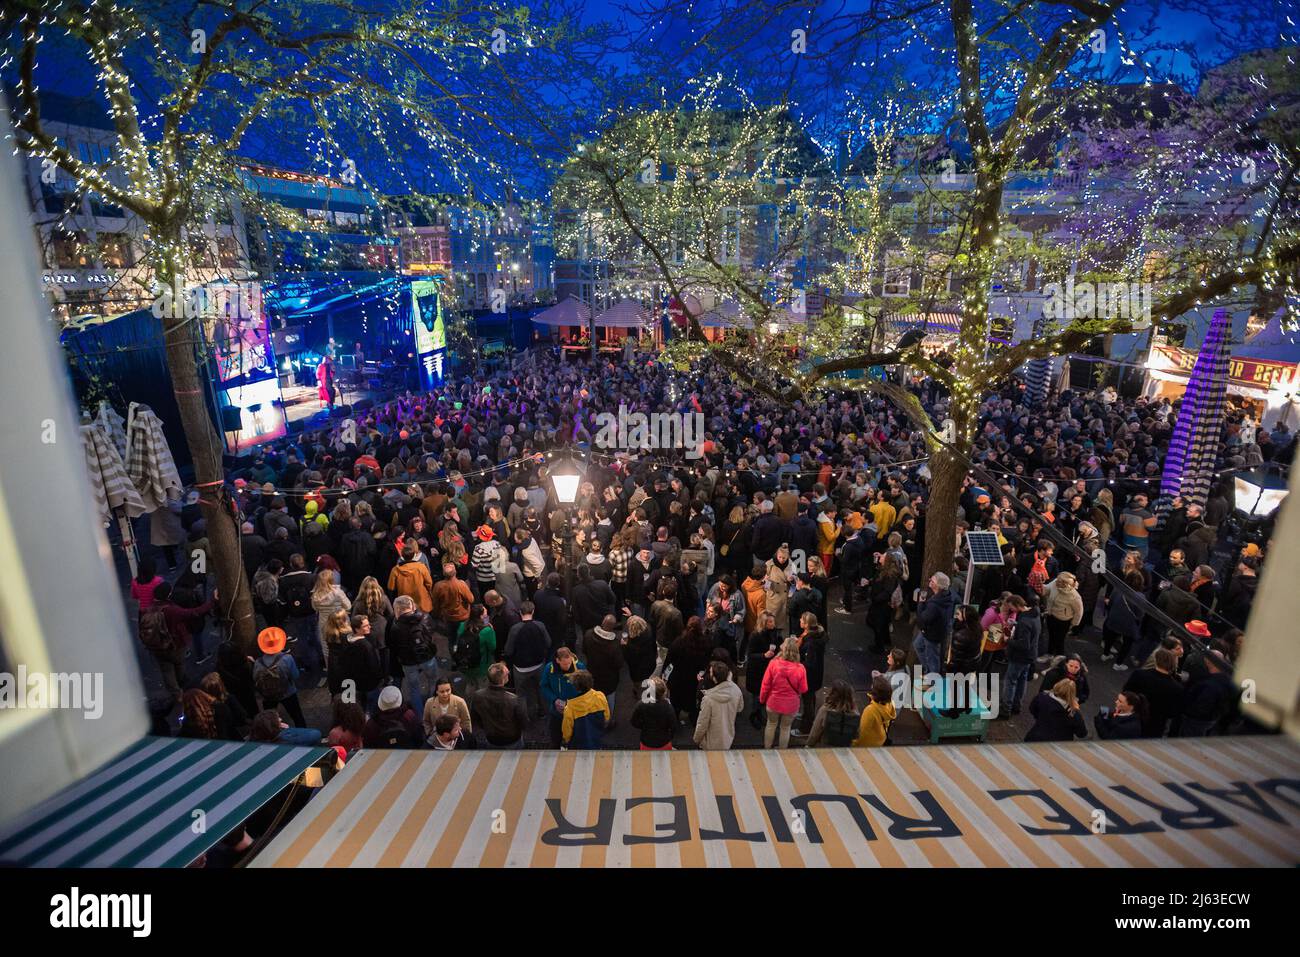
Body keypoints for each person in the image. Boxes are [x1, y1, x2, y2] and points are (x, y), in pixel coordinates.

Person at [387, 594, 441, 717]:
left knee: (414, 689)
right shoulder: (424, 618)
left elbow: (392, 645)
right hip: (427, 658)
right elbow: (431, 635)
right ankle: (433, 708)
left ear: (398, 609)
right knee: (433, 681)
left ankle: (421, 715)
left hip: (408, 663)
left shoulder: (395, 626)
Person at [503, 600, 551, 719]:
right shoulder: (540, 625)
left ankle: (524, 717)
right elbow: (548, 643)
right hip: (539, 664)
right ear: (533, 611)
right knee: (540, 688)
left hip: (520, 668)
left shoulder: (515, 629)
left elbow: (508, 650)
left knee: (521, 694)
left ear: (520, 612)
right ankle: (543, 712)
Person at [252, 626, 308, 727]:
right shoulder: (287, 658)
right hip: (288, 692)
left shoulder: (258, 662)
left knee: (269, 720)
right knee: (297, 716)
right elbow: (295, 675)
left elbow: (255, 678)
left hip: (268, 695)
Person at [1123, 647, 1186, 737]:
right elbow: (1173, 713)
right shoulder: (1177, 688)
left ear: (1156, 660)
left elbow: (1126, 693)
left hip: (1132, 718)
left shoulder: (1139, 674)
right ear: (1173, 664)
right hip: (1155, 726)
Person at [759, 636, 807, 749]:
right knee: (785, 728)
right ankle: (782, 751)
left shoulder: (773, 664)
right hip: (791, 705)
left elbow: (765, 685)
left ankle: (767, 748)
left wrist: (762, 699)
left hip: (773, 702)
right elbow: (803, 689)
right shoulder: (800, 668)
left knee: (771, 725)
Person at [471, 662, 530, 749]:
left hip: (491, 738)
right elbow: (524, 722)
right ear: (503, 679)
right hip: (512, 740)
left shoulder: (477, 695)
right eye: (507, 673)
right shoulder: (514, 699)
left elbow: (475, 717)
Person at [541, 646, 586, 747]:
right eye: (565, 664)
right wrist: (554, 700)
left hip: (575, 711)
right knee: (555, 737)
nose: (568, 666)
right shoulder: (549, 668)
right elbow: (544, 686)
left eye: (569, 662)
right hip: (557, 712)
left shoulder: (580, 668)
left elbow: (586, 689)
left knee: (575, 737)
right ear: (557, 660)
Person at [334, 613, 383, 709]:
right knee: (372, 708)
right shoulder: (365, 646)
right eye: (365, 626)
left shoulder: (346, 640)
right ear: (357, 629)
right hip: (369, 684)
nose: (369, 626)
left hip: (354, 683)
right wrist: (379, 678)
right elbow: (373, 665)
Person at [693, 660, 744, 750]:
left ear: (715, 678)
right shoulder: (736, 689)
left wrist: (696, 739)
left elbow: (702, 723)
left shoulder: (708, 699)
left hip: (711, 740)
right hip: (728, 736)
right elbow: (740, 708)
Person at [913, 572, 955, 677]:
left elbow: (923, 619)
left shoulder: (934, 605)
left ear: (938, 586)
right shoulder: (948, 596)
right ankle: (928, 671)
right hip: (936, 631)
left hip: (932, 634)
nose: (930, 581)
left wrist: (921, 604)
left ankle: (933, 678)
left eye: (932, 581)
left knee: (933, 659)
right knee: (918, 645)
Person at [583, 614, 624, 721]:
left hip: (592, 673)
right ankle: (608, 720)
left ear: (602, 623)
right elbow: (619, 664)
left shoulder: (588, 634)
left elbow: (584, 651)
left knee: (593, 698)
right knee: (609, 701)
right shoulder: (614, 645)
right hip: (609, 679)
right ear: (613, 627)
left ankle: (594, 717)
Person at [794, 611, 828, 735]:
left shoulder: (811, 643)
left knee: (808, 700)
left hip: (810, 676)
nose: (800, 621)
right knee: (810, 698)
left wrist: (796, 664)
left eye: (802, 620)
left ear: (807, 624)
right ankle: (807, 717)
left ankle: (806, 727)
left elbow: (809, 663)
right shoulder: (817, 636)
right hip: (816, 674)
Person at [1024, 678, 1088, 742]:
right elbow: (1082, 733)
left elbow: (1032, 709)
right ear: (1072, 694)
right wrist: (1077, 711)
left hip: (1034, 738)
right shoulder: (1072, 713)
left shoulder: (1042, 696)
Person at [310, 570, 351, 670]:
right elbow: (348, 606)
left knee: (327, 648)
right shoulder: (338, 593)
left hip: (324, 624)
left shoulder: (315, 595)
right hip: (340, 622)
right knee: (344, 644)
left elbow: (315, 608)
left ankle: (330, 670)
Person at [561, 670, 610, 750]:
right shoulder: (600, 696)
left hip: (579, 743)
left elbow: (567, 729)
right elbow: (606, 717)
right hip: (597, 738)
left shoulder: (570, 707)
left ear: (576, 688)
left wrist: (565, 740)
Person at [454, 603, 496, 691]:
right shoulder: (487, 631)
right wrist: (490, 627)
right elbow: (493, 647)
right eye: (485, 614)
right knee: (482, 687)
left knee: (470, 683)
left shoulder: (463, 625)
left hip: (466, 663)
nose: (487, 615)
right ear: (481, 616)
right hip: (481, 666)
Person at [1041, 571, 1084, 658]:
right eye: (1057, 580)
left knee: (1059, 641)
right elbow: (1046, 590)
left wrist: (1073, 624)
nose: (1056, 582)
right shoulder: (1055, 583)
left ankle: (1060, 659)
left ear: (1066, 584)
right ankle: (1049, 654)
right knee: (1051, 637)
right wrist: (1040, 584)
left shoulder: (1075, 597)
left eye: (1059, 582)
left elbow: (1079, 612)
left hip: (1063, 621)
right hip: (1051, 615)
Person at [807, 679, 859, 747]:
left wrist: (809, 744)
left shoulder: (825, 710)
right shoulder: (854, 711)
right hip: (846, 748)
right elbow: (857, 733)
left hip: (827, 747)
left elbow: (815, 733)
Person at [631, 676, 678, 750]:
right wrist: (669, 736)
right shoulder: (668, 706)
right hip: (664, 742)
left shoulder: (641, 704)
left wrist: (643, 726)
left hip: (646, 742)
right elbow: (673, 725)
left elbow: (633, 721)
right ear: (663, 692)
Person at [423, 676, 472, 746]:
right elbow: (426, 721)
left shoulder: (460, 702)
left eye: (448, 690)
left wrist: (466, 738)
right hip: (439, 738)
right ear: (436, 692)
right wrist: (429, 733)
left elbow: (466, 721)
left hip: (456, 738)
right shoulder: (429, 703)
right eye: (442, 692)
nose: (445, 694)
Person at [388, 540, 435, 612]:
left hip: (405, 603)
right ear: (414, 555)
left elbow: (391, 587)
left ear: (402, 555)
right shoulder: (421, 567)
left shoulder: (395, 570)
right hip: (421, 602)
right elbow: (429, 583)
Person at [852, 675, 896, 748]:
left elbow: (862, 733)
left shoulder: (870, 710)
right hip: (880, 739)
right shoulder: (891, 703)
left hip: (867, 744)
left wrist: (853, 744)